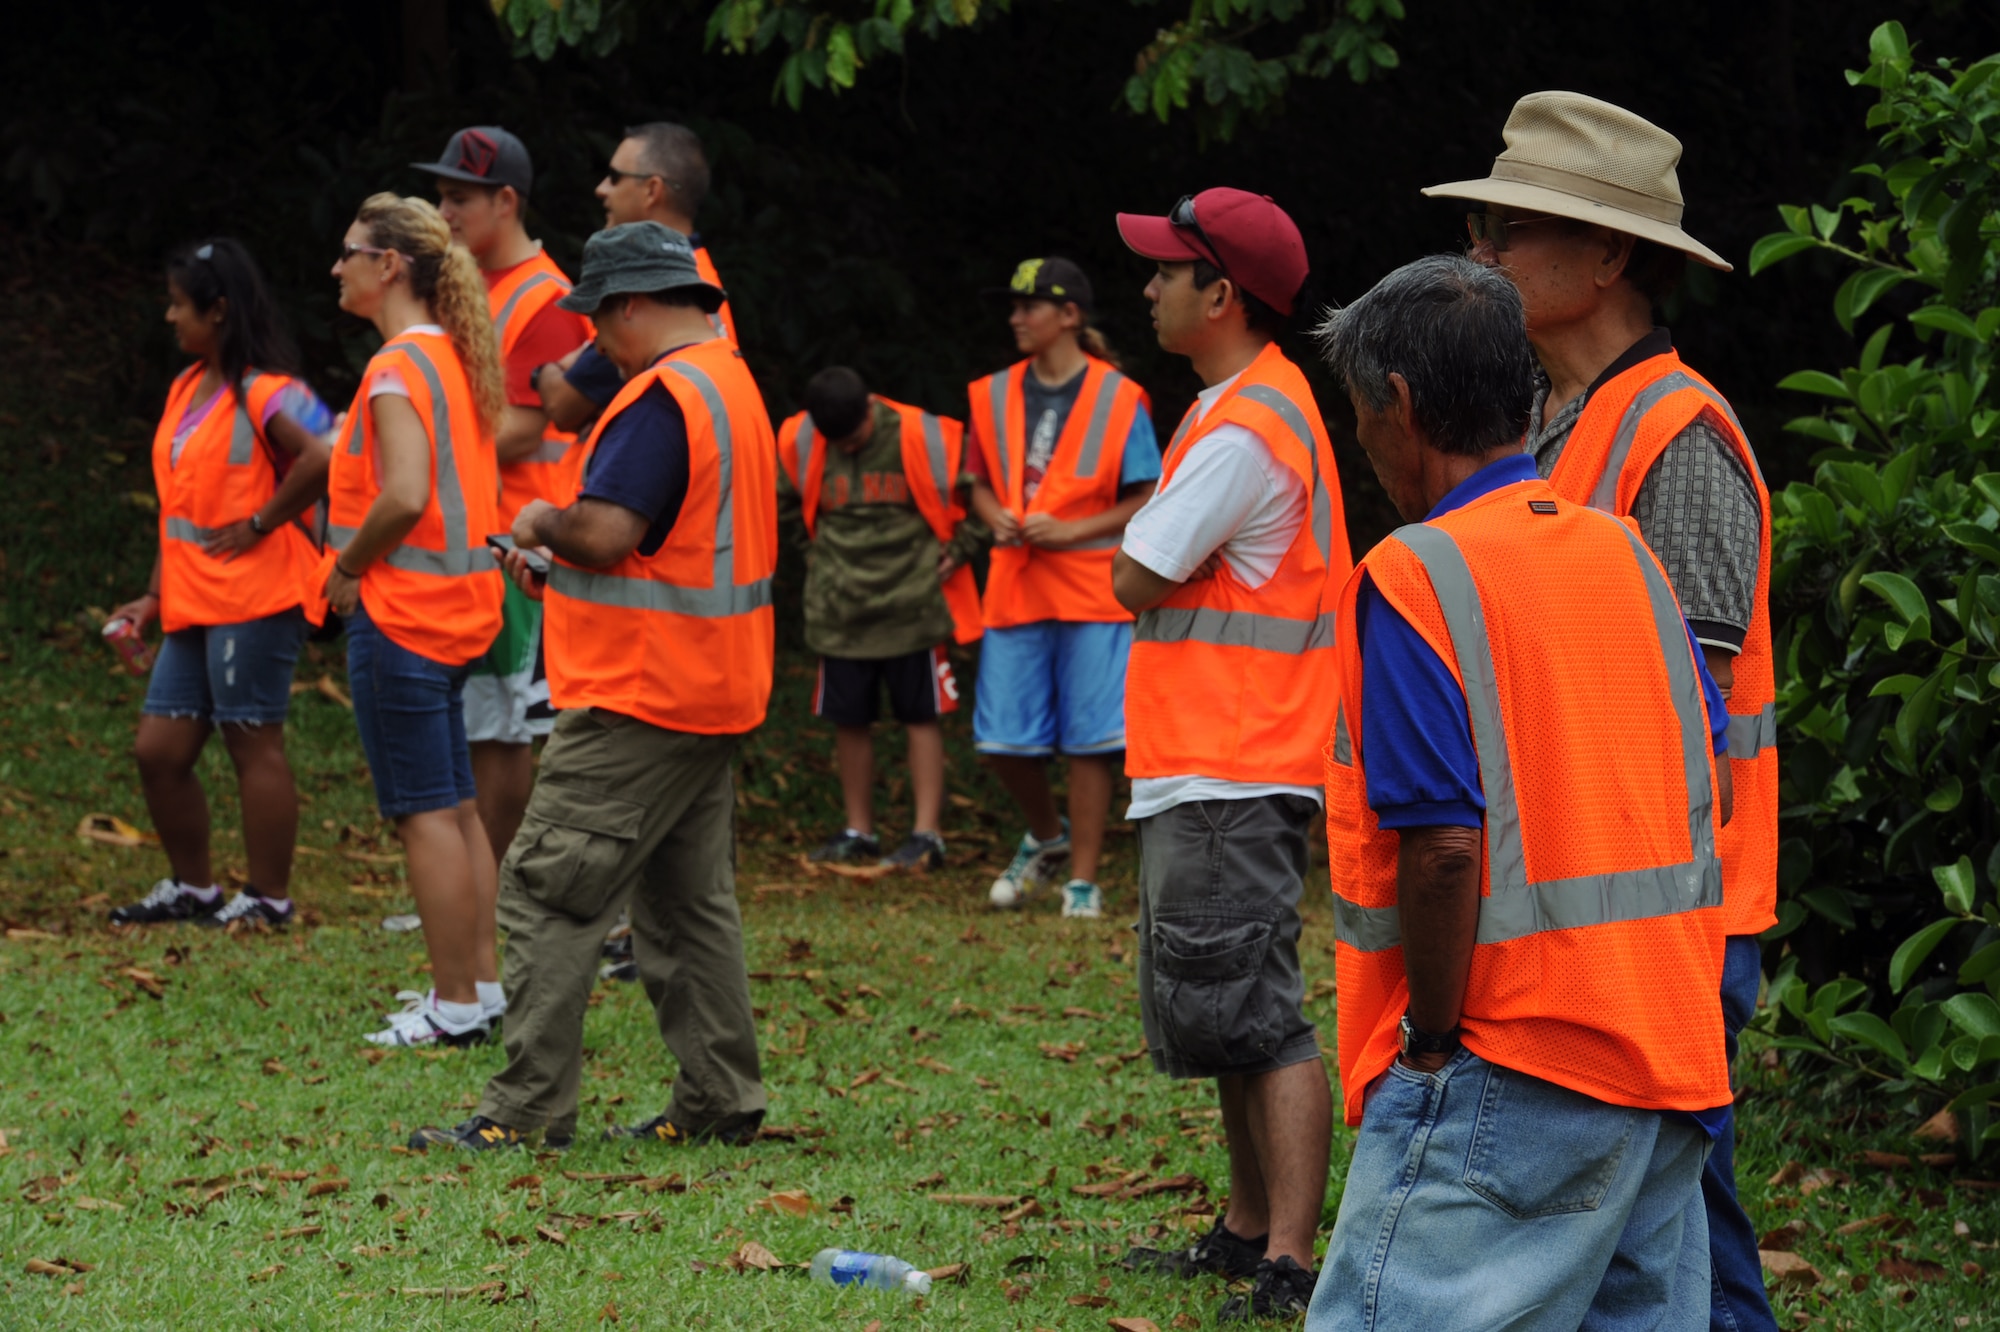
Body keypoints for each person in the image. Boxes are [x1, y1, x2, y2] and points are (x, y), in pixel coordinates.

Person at [1308, 254, 1734, 1329]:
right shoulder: (1628, 554)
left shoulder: (1415, 574)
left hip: (1511, 1057)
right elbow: (1701, 769)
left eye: (1359, 415)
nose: (1361, 445)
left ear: (1397, 406)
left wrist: (1431, 1043)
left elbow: (1444, 847)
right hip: (1669, 1056)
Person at [1424, 91, 1778, 1332]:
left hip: (1672, 909)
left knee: (1689, 1238)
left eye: (1507, 230)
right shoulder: (1550, 424)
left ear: (1609, 254)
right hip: (1597, 900)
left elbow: (1679, 696)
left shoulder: (1675, 432)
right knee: (1643, 1245)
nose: (1480, 255)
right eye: (1480, 227)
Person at [408, 221, 775, 1152]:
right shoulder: (731, 385)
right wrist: (561, 564)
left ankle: (524, 1111)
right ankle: (719, 1099)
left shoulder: (662, 399)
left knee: (543, 890)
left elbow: (609, 532)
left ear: (635, 307)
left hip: (638, 698)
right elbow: (666, 549)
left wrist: (539, 520)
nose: (593, 344)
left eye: (599, 323)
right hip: (710, 687)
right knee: (686, 905)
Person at [1109, 188, 1347, 1323]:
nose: (1147, 285)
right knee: (1223, 1013)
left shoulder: (1247, 426)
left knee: (1259, 1015)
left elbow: (1131, 573)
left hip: (1234, 757)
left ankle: (1290, 1258)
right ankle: (1247, 1227)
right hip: (1217, 755)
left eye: (1167, 271)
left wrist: (1152, 561)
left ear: (1223, 294)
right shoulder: (1235, 409)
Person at [316, 193, 508, 1047]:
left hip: (402, 613)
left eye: (349, 252)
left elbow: (403, 493)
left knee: (426, 810)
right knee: (458, 806)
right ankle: (483, 987)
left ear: (388, 265)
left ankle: (454, 1003)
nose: (337, 267)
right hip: (462, 611)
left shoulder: (395, 368)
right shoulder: (453, 361)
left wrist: (346, 567)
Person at [106, 239, 333, 930]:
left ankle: (268, 898)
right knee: (158, 750)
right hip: (191, 598)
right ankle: (195, 889)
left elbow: (322, 457)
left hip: (255, 598)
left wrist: (262, 521)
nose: (170, 317)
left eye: (181, 304)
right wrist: (152, 595)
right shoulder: (186, 386)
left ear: (221, 311)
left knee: (250, 740)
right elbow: (182, 510)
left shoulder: (267, 391)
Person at [412, 126, 591, 869]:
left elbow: (521, 428)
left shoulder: (544, 296)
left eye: (459, 197)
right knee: (471, 715)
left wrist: (416, 439)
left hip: (512, 537)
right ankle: (465, 879)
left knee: (500, 724)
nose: (443, 211)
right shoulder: (472, 287)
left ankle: (482, 880)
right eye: (442, 195)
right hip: (472, 530)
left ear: (506, 201)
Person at [964, 256, 1159, 919]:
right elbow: (976, 481)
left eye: (1030, 306)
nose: (1016, 318)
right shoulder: (990, 392)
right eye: (1013, 307)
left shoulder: (1119, 395)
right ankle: (1047, 837)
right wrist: (995, 516)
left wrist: (1071, 530)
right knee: (1000, 743)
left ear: (1070, 315)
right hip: (1016, 585)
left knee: (1091, 742)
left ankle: (1082, 881)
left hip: (1091, 589)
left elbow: (1144, 495)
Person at [776, 367, 988, 869]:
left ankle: (926, 835)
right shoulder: (802, 439)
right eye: (838, 442)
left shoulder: (922, 435)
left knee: (921, 715)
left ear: (870, 408)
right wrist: (813, 555)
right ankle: (858, 830)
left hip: (912, 604)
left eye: (855, 438)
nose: (847, 449)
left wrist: (960, 550)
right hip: (841, 610)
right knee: (849, 718)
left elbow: (981, 496)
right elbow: (784, 504)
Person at [540, 122, 735, 437]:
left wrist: (543, 372)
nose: (601, 189)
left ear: (652, 190)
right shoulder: (698, 279)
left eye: (615, 177)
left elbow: (563, 405)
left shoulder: (650, 292)